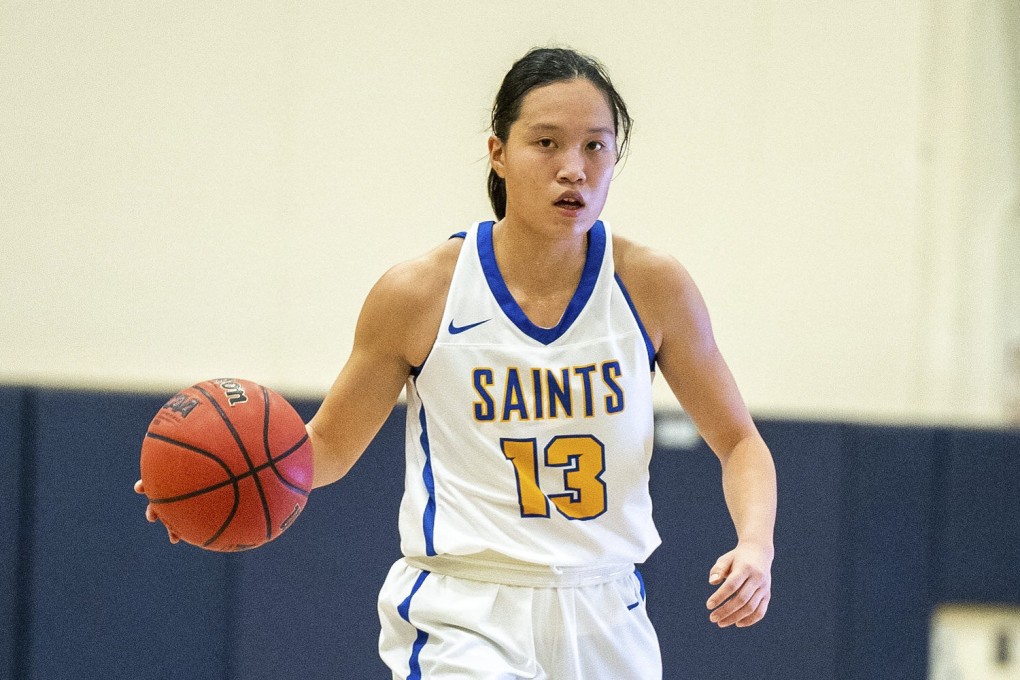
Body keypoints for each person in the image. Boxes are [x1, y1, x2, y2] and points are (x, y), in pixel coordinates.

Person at [138, 46, 777, 678]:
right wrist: (208, 482)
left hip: (606, 608)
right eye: (547, 143)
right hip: (466, 611)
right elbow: (324, 449)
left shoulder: (653, 286)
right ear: (498, 152)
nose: (573, 169)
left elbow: (740, 441)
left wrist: (755, 545)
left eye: (595, 146)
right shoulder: (420, 293)